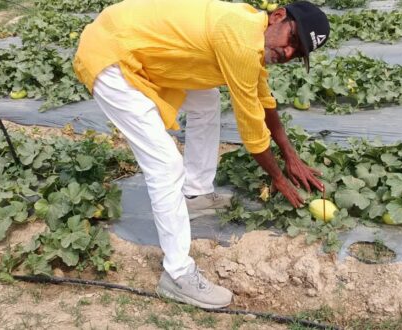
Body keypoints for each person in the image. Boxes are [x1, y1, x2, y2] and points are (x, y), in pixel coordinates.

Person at [73, 0, 330, 309]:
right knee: (165, 165)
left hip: (134, 41)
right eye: (293, 40)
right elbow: (252, 129)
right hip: (110, 54)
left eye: (298, 53)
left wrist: (290, 155)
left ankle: (195, 195)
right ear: (277, 17)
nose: (289, 53)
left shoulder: (252, 32)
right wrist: (278, 177)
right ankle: (177, 274)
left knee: (206, 100)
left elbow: (264, 100)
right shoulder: (240, 41)